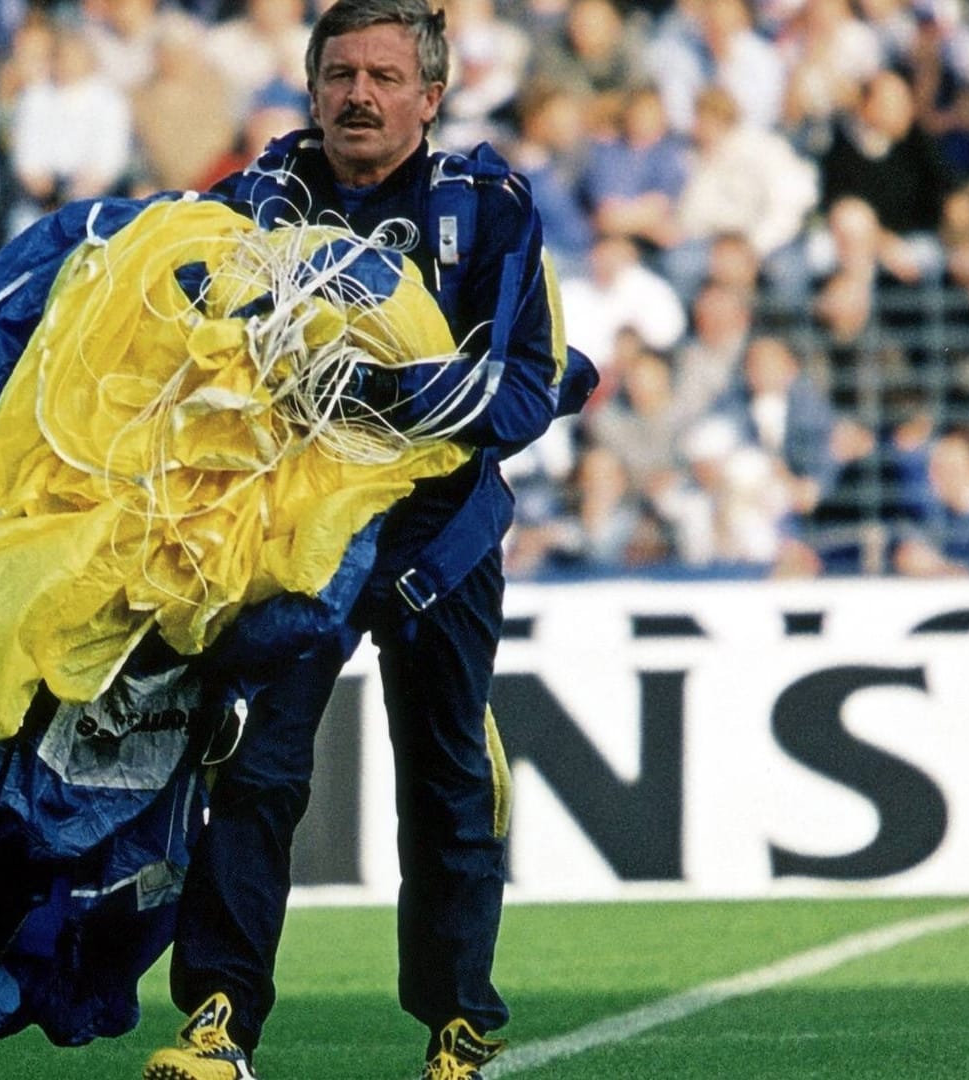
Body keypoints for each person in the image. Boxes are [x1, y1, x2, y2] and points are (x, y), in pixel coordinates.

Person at [145, 3, 594, 1079]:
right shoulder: (251, 203)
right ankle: (217, 1024)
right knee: (256, 772)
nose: (360, 94)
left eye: (385, 76)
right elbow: (180, 342)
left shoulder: (488, 206)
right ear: (310, 89)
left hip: (440, 541)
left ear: (430, 97)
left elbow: (532, 384)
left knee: (442, 780)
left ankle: (458, 1028)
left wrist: (388, 392)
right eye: (340, 72)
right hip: (293, 537)